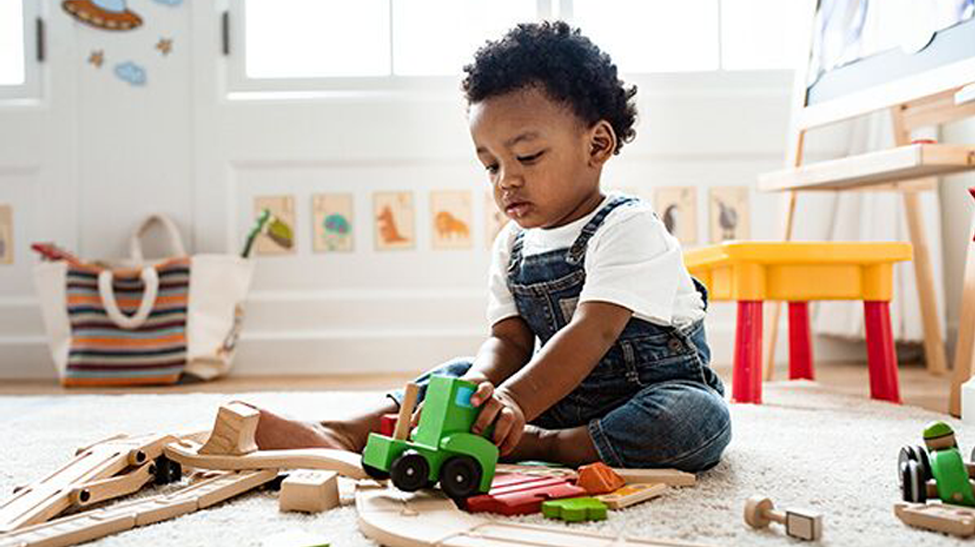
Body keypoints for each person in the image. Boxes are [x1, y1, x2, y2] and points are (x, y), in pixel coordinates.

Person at [253, 21, 730, 472]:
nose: (508, 180)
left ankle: (546, 445)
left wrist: (516, 402)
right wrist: (480, 386)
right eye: (491, 165)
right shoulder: (512, 245)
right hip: (553, 396)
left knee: (693, 419)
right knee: (456, 375)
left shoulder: (628, 227)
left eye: (527, 156)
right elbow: (509, 341)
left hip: (645, 394)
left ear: (597, 145)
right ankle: (344, 432)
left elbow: (592, 334)